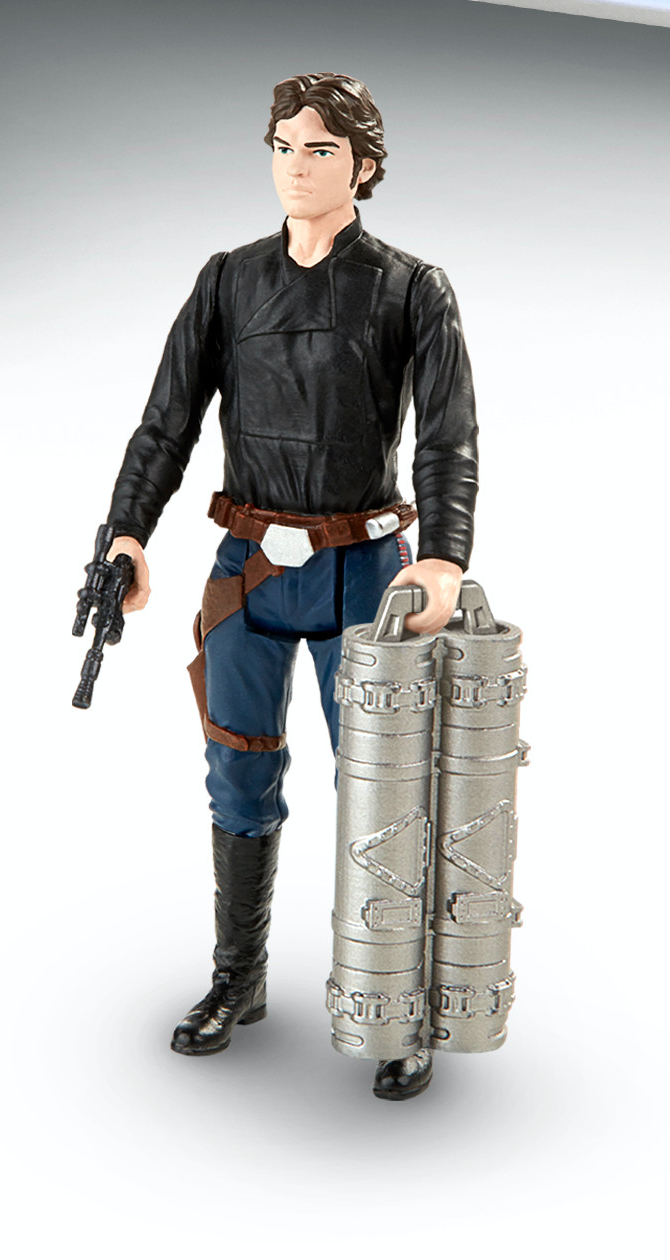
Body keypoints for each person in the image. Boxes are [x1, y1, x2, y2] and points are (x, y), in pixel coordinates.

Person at [103, 73, 478, 1100]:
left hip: (366, 572)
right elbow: (166, 421)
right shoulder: (229, 281)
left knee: (387, 789)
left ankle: (398, 1000)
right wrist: (126, 533)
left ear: (363, 165)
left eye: (320, 150)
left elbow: (447, 437)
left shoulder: (410, 287)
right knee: (237, 775)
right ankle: (240, 976)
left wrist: (445, 557)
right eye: (282, 146)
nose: (296, 167)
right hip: (249, 570)